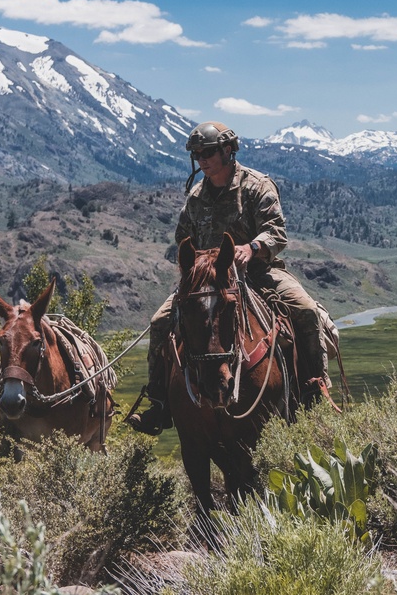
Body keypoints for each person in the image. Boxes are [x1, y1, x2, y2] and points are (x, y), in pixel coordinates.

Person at [128, 121, 330, 435]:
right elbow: (184, 238)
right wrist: (197, 267)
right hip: (208, 281)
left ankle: (315, 388)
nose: (202, 159)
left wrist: (253, 247)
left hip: (260, 272)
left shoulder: (257, 185)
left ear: (227, 150)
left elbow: (277, 232)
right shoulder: (195, 197)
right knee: (159, 322)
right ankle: (159, 403)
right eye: (196, 154)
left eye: (207, 152)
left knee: (305, 310)